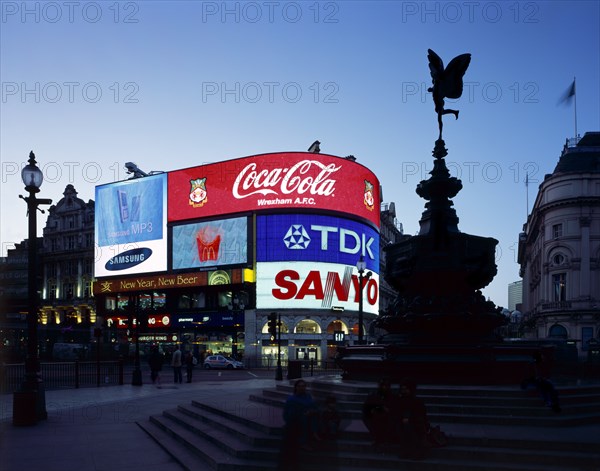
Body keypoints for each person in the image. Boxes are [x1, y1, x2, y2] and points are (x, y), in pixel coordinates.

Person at [278, 379, 320, 470]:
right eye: (300, 386)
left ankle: (314, 433)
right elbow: (287, 414)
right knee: (304, 418)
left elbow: (315, 407)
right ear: (296, 387)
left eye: (303, 386)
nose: (302, 388)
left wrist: (311, 411)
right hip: (296, 421)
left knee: (314, 415)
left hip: (309, 417)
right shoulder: (291, 399)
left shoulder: (308, 397)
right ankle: (306, 439)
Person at [393, 378, 429, 459]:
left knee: (410, 429)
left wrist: (410, 419)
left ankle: (415, 452)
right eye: (402, 389)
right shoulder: (399, 400)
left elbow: (421, 414)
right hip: (402, 423)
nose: (404, 391)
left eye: (406, 389)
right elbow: (396, 412)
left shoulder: (416, 401)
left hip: (415, 423)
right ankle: (407, 451)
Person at [362, 377, 395, 449]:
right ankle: (377, 438)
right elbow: (367, 407)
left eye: (386, 386)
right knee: (368, 417)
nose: (384, 387)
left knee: (389, 420)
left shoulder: (392, 396)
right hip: (376, 414)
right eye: (383, 385)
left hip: (387, 416)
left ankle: (386, 439)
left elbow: (393, 409)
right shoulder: (374, 395)